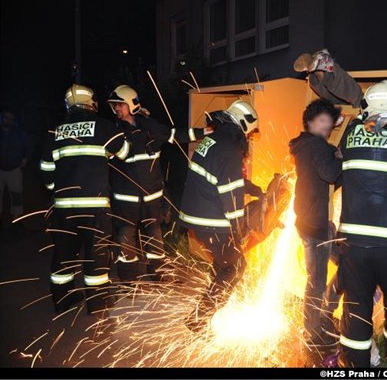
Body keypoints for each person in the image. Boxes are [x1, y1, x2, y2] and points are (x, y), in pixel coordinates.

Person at [295, 49, 387, 367]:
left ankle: (356, 365)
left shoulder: (349, 138)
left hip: (355, 249)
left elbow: (361, 116)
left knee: (356, 311)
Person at [39, 84, 130, 315]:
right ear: (92, 103)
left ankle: (63, 300)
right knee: (96, 257)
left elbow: (46, 170)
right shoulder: (103, 127)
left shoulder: (55, 132)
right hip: (95, 209)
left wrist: (56, 189)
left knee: (63, 255)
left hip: (63, 210)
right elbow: (124, 152)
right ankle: (98, 305)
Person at [107, 85, 207, 282]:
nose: (116, 109)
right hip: (125, 203)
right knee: (126, 243)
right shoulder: (113, 132)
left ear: (131, 104)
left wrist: (204, 131)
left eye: (120, 104)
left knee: (155, 241)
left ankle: (160, 275)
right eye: (114, 106)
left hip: (152, 199)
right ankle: (129, 282)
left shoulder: (151, 127)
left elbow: (175, 135)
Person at [179, 100, 258, 332]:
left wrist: (252, 189)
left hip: (196, 214)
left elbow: (220, 176)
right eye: (248, 132)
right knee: (234, 267)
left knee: (223, 262)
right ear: (243, 124)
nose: (248, 137)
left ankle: (208, 308)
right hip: (211, 219)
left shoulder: (215, 140)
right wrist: (238, 227)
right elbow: (230, 195)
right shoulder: (230, 148)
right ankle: (199, 319)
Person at [289, 99, 343, 353]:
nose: (326, 126)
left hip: (307, 220)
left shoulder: (303, 145)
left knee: (339, 265)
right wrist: (342, 156)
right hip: (316, 224)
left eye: (329, 123)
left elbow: (322, 172)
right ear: (310, 122)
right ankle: (312, 329)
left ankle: (323, 314)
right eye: (321, 121)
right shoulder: (318, 146)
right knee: (316, 282)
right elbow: (331, 174)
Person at [0, 109, 32, 223]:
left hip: (15, 169)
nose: (7, 120)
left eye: (10, 118)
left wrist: (26, 158)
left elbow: (29, 146)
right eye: (5, 118)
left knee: (16, 195)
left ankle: (17, 219)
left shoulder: (19, 133)